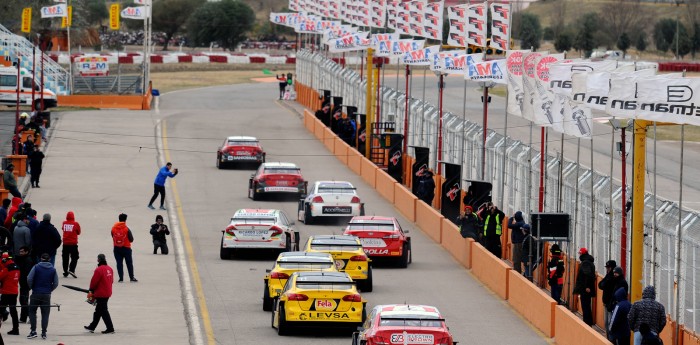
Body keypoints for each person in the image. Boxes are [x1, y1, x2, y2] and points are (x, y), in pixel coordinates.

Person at [27, 253, 59, 340]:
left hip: (36, 293)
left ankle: (33, 331)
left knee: (32, 312)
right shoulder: (53, 269)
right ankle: (44, 332)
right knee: (45, 314)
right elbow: (56, 283)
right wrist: (49, 290)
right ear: (49, 259)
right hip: (46, 295)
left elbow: (29, 278)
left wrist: (32, 287)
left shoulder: (36, 267)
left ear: (40, 259)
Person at [84, 254, 114, 334]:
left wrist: (91, 290)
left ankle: (110, 328)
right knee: (98, 311)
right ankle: (92, 327)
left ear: (98, 260)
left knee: (103, 311)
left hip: (101, 293)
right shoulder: (110, 269)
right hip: (107, 292)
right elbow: (112, 281)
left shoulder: (98, 270)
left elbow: (94, 282)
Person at [573, 247, 596, 326]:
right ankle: (588, 323)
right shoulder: (589, 262)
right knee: (587, 306)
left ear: (582, 254)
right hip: (586, 289)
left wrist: (587, 287)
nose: (579, 255)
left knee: (585, 306)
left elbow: (588, 275)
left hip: (585, 290)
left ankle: (587, 323)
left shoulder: (585, 263)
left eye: (580, 253)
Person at [111, 213, 136, 282]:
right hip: (126, 248)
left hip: (116, 248)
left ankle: (121, 278)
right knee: (129, 263)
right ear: (125, 220)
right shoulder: (126, 229)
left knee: (119, 263)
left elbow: (112, 236)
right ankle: (131, 277)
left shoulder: (113, 228)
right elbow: (131, 239)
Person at [0, 252, 20, 335]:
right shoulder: (17, 267)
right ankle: (16, 329)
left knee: (0, 310)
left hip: (6, 292)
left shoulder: (7, 268)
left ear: (4, 259)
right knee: (13, 311)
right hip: (14, 292)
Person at [61, 211, 81, 278]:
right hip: (73, 244)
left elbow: (63, 229)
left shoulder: (64, 223)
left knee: (65, 258)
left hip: (65, 243)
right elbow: (79, 232)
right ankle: (72, 269)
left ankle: (65, 271)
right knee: (75, 257)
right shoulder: (76, 224)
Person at [14, 246, 32, 324]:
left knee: (23, 300)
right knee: (23, 300)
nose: (20, 253)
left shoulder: (27, 260)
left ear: (26, 252)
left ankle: (30, 316)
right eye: (20, 251)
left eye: (22, 252)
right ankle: (23, 318)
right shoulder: (23, 259)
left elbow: (27, 274)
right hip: (23, 283)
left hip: (25, 284)